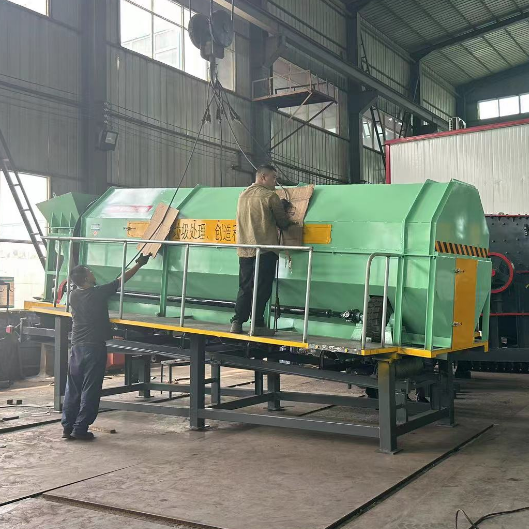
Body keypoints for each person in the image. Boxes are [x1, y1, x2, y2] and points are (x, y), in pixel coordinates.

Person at [61, 254, 149, 440]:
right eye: (90, 272)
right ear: (86, 278)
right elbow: (121, 280)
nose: (93, 274)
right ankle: (80, 428)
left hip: (76, 346)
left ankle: (67, 427)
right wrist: (139, 264)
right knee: (90, 389)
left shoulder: (73, 295)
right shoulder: (97, 293)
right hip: (94, 347)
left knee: (73, 387)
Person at [230, 164, 294, 336]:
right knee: (262, 287)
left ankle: (237, 322)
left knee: (245, 286)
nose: (275, 182)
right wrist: (285, 211)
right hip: (265, 250)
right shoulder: (270, 196)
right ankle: (257, 324)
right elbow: (282, 223)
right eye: (274, 178)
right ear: (263, 177)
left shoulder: (243, 195)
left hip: (245, 249)